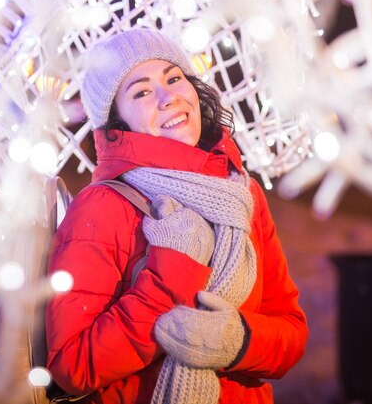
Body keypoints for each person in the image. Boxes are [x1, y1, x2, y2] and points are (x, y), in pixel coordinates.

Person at [45, 27, 308, 404]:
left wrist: (239, 340)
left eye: (174, 78)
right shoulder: (103, 206)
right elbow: (74, 365)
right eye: (142, 91)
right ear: (117, 121)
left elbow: (291, 330)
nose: (168, 97)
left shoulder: (242, 195)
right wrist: (173, 272)